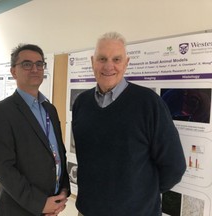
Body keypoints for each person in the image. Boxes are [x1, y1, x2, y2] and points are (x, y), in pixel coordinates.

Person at [72, 32, 186, 216]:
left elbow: (174, 166)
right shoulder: (81, 103)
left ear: (126, 63)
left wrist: (141, 195)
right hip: (88, 210)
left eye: (116, 59)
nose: (109, 65)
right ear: (92, 61)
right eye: (102, 58)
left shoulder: (149, 103)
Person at [0, 44, 70, 216]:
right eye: (27, 64)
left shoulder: (50, 109)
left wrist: (63, 191)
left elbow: (58, 153)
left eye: (39, 64)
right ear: (13, 71)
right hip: (18, 209)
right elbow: (3, 169)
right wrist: (40, 204)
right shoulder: (0, 112)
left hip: (51, 206)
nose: (35, 69)